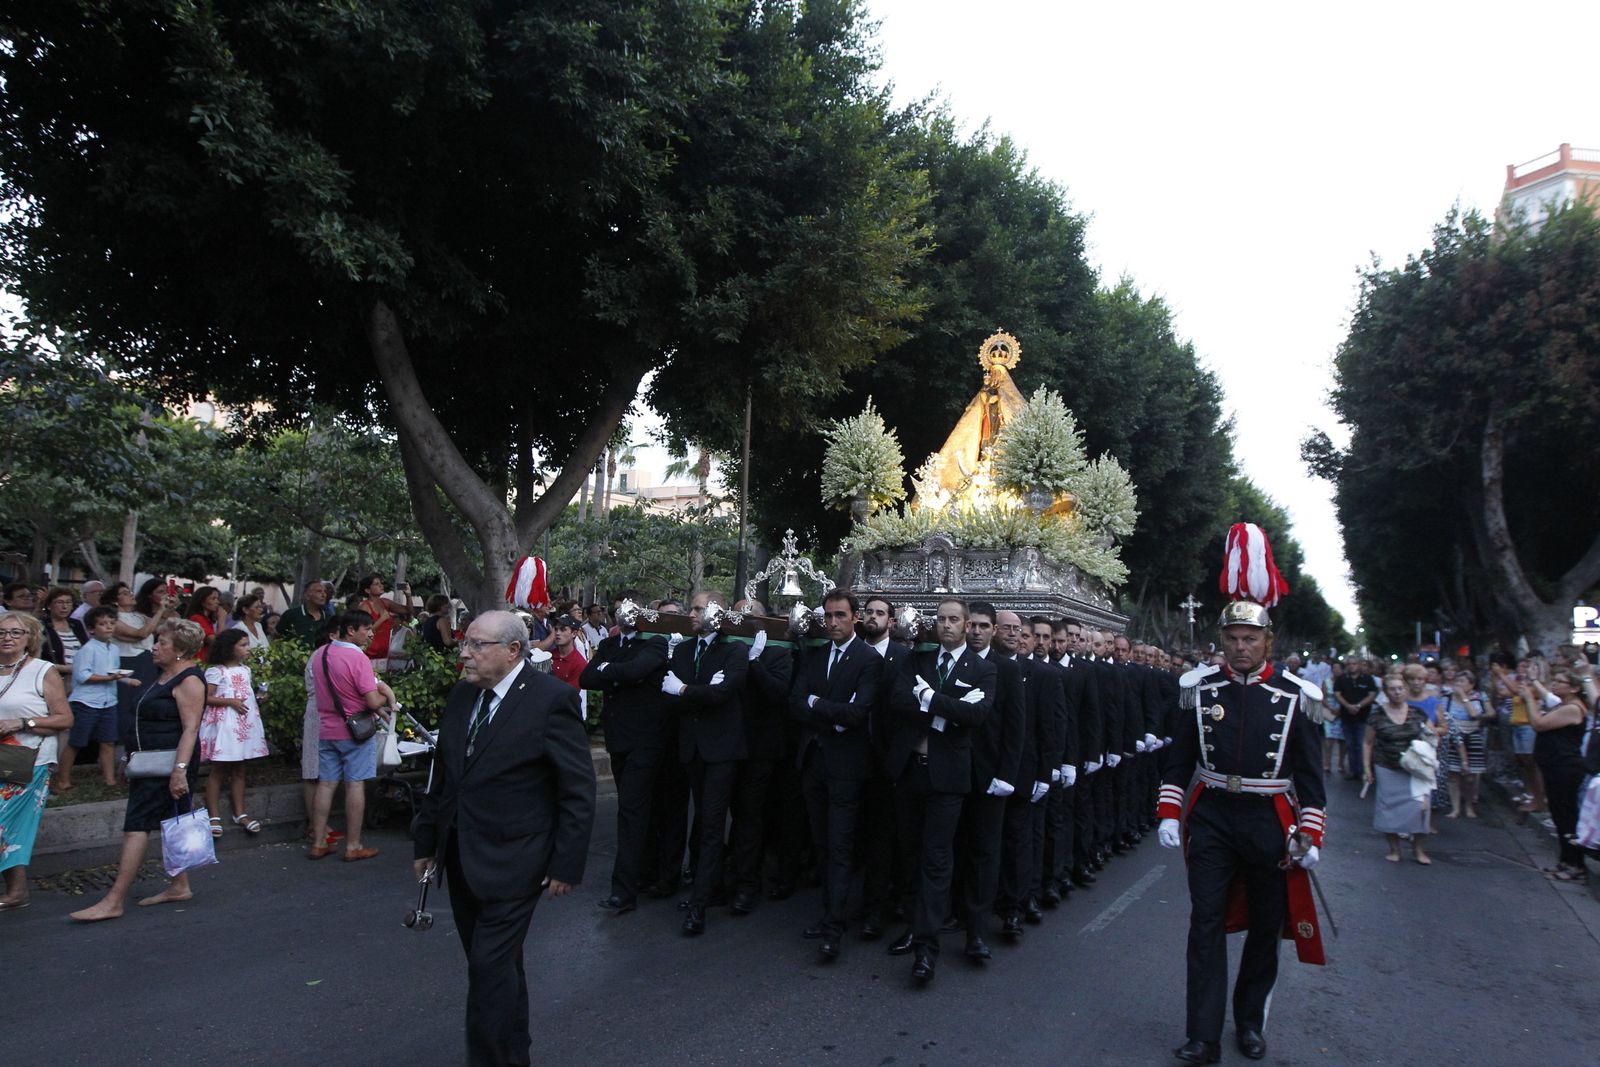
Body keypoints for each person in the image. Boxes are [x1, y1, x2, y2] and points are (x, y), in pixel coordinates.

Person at [1158, 523, 1327, 1064]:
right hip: (1210, 818)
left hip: (1269, 820)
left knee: (1263, 925)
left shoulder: (1296, 697)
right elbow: (1179, 758)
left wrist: (1311, 830)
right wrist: (1168, 808)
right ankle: (1203, 1035)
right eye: (1231, 639)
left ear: (1267, 641)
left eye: (1250, 639)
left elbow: (1311, 776)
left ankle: (1249, 1021)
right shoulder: (1198, 689)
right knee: (1204, 920)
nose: (1240, 647)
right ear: (1221, 641)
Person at [413, 610, 596, 1067]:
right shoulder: (462, 695)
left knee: (489, 969)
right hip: (461, 856)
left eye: (478, 645)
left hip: (519, 859)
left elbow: (577, 788)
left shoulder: (550, 699)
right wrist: (426, 843)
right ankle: (514, 1056)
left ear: (513, 650)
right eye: (464, 643)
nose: (465, 653)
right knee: (498, 966)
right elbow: (446, 776)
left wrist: (566, 864)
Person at [885, 597, 994, 985]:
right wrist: (947, 711)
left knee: (936, 858)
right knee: (909, 852)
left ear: (967, 625)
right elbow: (898, 701)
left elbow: (976, 716)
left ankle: (926, 949)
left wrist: (929, 697)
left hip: (947, 780)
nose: (946, 625)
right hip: (911, 770)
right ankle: (915, 923)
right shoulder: (918, 661)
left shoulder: (982, 670)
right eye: (941, 619)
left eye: (953, 620)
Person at [70, 619, 208, 922]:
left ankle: (114, 899)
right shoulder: (164, 674)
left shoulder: (189, 680)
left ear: (181, 649)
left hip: (167, 763)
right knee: (173, 819)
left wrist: (179, 771)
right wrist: (128, 760)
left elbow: (190, 729)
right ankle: (179, 885)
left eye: (162, 642)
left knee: (137, 825)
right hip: (149, 762)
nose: (155, 647)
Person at [790, 590, 880, 961]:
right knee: (822, 843)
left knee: (841, 845)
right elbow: (795, 703)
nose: (832, 623)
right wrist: (831, 713)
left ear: (855, 618)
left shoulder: (868, 660)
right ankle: (831, 911)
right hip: (814, 762)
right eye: (828, 616)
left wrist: (818, 705)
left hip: (847, 768)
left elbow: (859, 714)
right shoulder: (814, 655)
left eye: (840, 615)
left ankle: (834, 928)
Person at [662, 590, 749, 936]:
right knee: (701, 822)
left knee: (712, 823)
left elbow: (722, 694)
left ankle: (699, 906)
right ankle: (710, 887)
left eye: (698, 609)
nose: (692, 614)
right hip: (693, 748)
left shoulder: (735, 650)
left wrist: (685, 690)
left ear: (717, 612)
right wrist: (695, 692)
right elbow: (669, 696)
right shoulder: (683, 649)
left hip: (722, 750)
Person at [583, 590, 670, 916]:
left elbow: (635, 671)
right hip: (618, 739)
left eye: (629, 609)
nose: (623, 615)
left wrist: (612, 672)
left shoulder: (655, 643)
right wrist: (618, 671)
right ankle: (646, 874)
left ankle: (624, 890)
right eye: (618, 610)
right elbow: (588, 676)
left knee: (632, 812)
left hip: (646, 739)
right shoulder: (608, 645)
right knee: (636, 811)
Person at [0, 611, 74, 911]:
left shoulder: (42, 670)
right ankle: (17, 892)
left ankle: (17, 892)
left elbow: (64, 718)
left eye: (16, 633)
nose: (7, 638)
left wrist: (20, 724)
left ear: (30, 638)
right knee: (10, 829)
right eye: (2, 632)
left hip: (27, 761)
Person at [307, 611, 396, 860]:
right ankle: (353, 845)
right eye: (367, 629)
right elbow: (370, 699)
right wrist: (387, 695)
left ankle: (319, 841)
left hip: (327, 728)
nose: (370, 634)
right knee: (355, 784)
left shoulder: (320, 654)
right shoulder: (358, 658)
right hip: (355, 730)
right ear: (351, 630)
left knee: (326, 784)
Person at [58, 605, 139, 791]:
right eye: (103, 624)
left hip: (108, 701)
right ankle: (63, 780)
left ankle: (109, 781)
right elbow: (82, 676)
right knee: (76, 742)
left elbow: (115, 673)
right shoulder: (88, 649)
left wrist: (127, 680)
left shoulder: (114, 649)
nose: (109, 627)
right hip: (86, 701)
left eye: (111, 623)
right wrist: (109, 678)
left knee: (108, 741)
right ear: (92, 629)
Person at [200, 628, 271, 836]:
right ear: (230, 648)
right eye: (243, 645)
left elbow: (244, 694)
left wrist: (257, 698)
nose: (247, 648)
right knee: (219, 769)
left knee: (240, 768)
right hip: (226, 726)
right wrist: (229, 701)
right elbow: (206, 697)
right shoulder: (217, 671)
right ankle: (213, 814)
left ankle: (239, 812)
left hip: (243, 724)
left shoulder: (245, 670)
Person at [1525, 667, 1592, 882]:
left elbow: (1539, 724)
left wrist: (1529, 700)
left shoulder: (1572, 708)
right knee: (1559, 815)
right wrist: (1535, 680)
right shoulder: (1562, 704)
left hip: (1565, 767)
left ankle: (1576, 864)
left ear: (1573, 688)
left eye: (1560, 682)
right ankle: (1565, 860)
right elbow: (1547, 695)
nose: (1554, 684)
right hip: (1554, 766)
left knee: (1567, 816)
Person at [1363, 676, 1433, 864]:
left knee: (1421, 807)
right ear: (1386, 692)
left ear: (1406, 690)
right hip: (1387, 766)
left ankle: (1419, 850)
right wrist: (1366, 768)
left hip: (1415, 769)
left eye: (1401, 688)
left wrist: (1425, 752)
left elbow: (1432, 736)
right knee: (1389, 808)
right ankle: (1395, 849)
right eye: (1393, 689)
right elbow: (1368, 742)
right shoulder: (1377, 714)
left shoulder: (1417, 713)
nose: (1397, 692)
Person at [1439, 668, 1489, 818]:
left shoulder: (1477, 698)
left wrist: (1463, 697)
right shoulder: (1446, 698)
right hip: (1452, 737)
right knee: (1453, 774)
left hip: (1472, 736)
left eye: (1462, 682)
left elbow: (1474, 714)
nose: (1458, 684)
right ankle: (1455, 808)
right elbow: (1441, 715)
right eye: (1457, 681)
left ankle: (1469, 805)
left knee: (1470, 776)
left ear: (1471, 685)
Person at [1332, 655, 1377, 781]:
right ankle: (1353, 770)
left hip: (1363, 717)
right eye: (1349, 664)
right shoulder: (1341, 679)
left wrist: (1359, 705)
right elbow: (1337, 694)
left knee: (1361, 744)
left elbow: (1372, 694)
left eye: (1354, 663)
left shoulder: (1367, 679)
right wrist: (1347, 706)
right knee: (1350, 745)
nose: (1352, 666)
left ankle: (1364, 770)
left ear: (1359, 665)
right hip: (1346, 717)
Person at [356, 573, 412, 664]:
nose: (381, 585)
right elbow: (364, 632)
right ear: (367, 590)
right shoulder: (364, 606)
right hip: (369, 654)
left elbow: (408, 610)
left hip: (384, 654)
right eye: (376, 584)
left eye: (381, 583)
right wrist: (382, 619)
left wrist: (408, 596)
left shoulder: (386, 603)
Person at [39, 586, 88, 685]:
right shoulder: (42, 626)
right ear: (49, 605)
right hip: (54, 679)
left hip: (80, 679)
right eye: (59, 602)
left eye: (68, 602)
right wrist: (65, 668)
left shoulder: (76, 624)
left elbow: (87, 648)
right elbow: (37, 658)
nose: (65, 607)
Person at [279, 580, 333, 647]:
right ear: (307, 595)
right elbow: (278, 636)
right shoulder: (291, 615)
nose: (323, 595)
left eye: (325, 591)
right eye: (319, 591)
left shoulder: (330, 619)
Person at [547, 614, 587, 690]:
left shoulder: (579, 663)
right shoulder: (548, 656)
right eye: (556, 629)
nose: (558, 633)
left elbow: (570, 694)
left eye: (563, 629)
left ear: (574, 633)